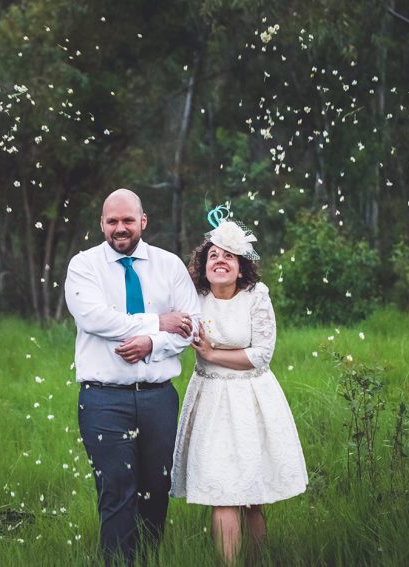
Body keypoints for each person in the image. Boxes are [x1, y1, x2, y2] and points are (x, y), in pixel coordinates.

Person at [64, 188, 202, 565]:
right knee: (116, 491)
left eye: (128, 220)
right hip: (104, 399)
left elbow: (192, 326)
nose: (120, 228)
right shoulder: (84, 266)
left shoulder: (169, 265)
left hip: (159, 397)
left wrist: (151, 344)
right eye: (112, 221)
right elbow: (95, 319)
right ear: (102, 224)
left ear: (143, 221)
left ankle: (149, 560)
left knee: (156, 490)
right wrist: (159, 322)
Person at [170, 211, 308, 564]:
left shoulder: (256, 295)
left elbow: (262, 354)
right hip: (211, 398)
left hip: (251, 398)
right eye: (213, 255)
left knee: (251, 495)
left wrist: (213, 352)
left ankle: (255, 560)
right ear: (203, 266)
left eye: (228, 255)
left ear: (241, 266)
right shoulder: (193, 298)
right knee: (222, 491)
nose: (220, 260)